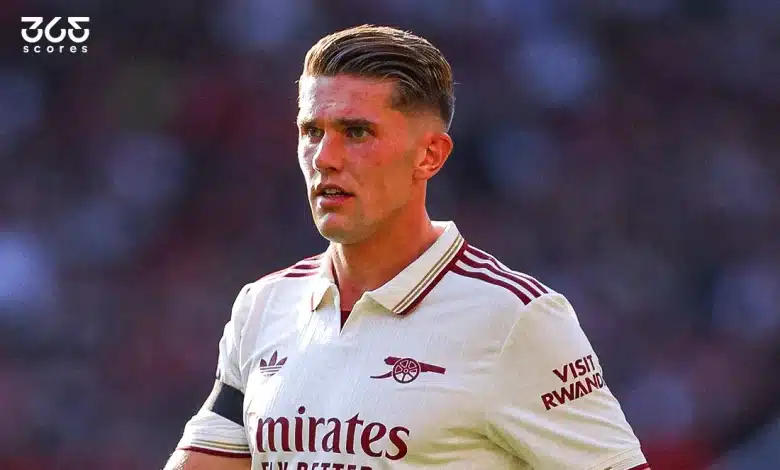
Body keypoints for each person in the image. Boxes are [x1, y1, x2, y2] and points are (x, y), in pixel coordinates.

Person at [164, 25, 650, 470]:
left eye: (356, 132)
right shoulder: (263, 306)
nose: (324, 158)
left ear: (429, 155)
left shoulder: (515, 318)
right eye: (312, 132)